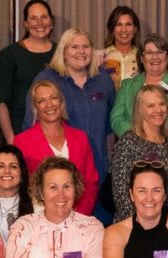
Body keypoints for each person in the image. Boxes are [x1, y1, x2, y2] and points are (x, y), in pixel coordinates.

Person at [28, 27, 118, 189]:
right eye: (74, 47)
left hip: (98, 171)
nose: (81, 51)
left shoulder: (104, 80)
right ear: (63, 51)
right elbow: (31, 124)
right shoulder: (47, 79)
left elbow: (110, 126)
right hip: (58, 173)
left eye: (85, 46)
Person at [109, 33, 168, 182]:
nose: (154, 57)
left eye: (160, 52)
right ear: (141, 57)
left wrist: (162, 137)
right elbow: (116, 119)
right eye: (149, 52)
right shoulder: (127, 85)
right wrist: (139, 140)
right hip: (134, 159)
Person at [15, 79, 99, 216]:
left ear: (61, 102)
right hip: (41, 219)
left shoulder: (81, 138)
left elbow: (90, 183)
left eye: (53, 98)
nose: (49, 105)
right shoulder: (22, 142)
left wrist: (78, 215)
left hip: (79, 217)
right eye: (41, 101)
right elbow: (24, 188)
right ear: (35, 107)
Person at [109, 86, 168, 219]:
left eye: (162, 104)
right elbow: (121, 195)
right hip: (138, 226)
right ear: (140, 110)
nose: (158, 110)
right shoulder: (128, 142)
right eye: (151, 106)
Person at [0, 0, 57, 142]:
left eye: (44, 17)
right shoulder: (9, 55)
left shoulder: (61, 53)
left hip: (56, 132)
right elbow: (0, 102)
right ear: (26, 24)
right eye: (33, 18)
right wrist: (11, 138)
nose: (39, 23)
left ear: (51, 22)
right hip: (20, 131)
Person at [0, 144, 32, 236]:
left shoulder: (35, 204)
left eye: (13, 166)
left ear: (21, 176)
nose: (7, 171)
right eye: (0, 166)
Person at [100, 5, 142, 84]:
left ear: (135, 29)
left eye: (128, 24)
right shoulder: (102, 57)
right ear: (112, 29)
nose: (124, 29)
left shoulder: (142, 58)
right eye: (119, 24)